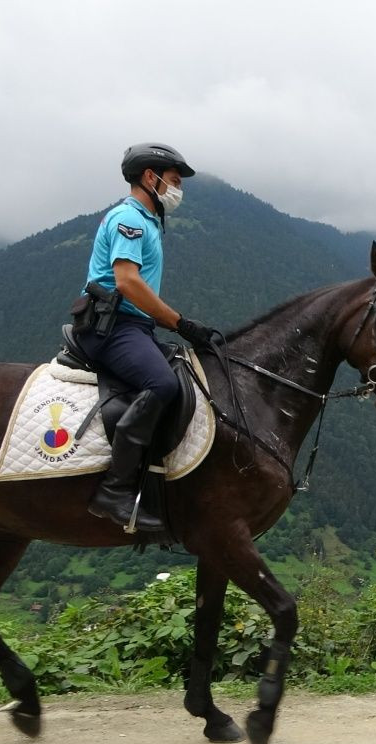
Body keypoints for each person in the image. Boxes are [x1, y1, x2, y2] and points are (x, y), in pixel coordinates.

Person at [73, 143, 220, 533]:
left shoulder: (150, 222)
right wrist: (181, 323)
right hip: (113, 328)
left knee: (183, 375)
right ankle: (114, 490)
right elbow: (127, 282)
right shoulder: (130, 219)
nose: (178, 191)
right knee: (161, 383)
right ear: (150, 178)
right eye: (173, 181)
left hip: (133, 328)